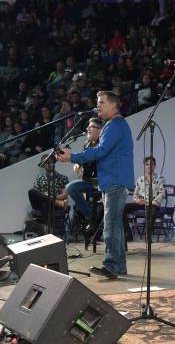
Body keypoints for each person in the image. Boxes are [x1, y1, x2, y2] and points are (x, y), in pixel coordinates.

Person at [57, 91, 135, 279]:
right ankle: (119, 266)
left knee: (111, 226)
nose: (98, 105)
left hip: (115, 181)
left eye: (101, 102)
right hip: (114, 181)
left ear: (113, 105)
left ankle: (111, 265)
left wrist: (72, 157)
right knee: (115, 225)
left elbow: (100, 151)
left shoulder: (114, 125)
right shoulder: (115, 125)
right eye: (97, 102)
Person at [66, 117, 102, 226]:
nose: (88, 129)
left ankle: (92, 220)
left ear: (100, 130)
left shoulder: (103, 144)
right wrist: (77, 165)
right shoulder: (87, 144)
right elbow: (82, 159)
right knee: (70, 187)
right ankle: (91, 215)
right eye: (88, 126)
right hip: (89, 181)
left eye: (91, 126)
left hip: (101, 182)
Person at [124, 156, 166, 240]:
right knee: (122, 208)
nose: (149, 167)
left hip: (153, 203)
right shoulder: (140, 179)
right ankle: (127, 233)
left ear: (155, 166)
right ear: (144, 166)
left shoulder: (160, 178)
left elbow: (162, 193)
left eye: (151, 164)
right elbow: (135, 194)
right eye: (147, 164)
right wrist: (137, 200)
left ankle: (148, 237)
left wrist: (152, 202)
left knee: (152, 211)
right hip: (141, 202)